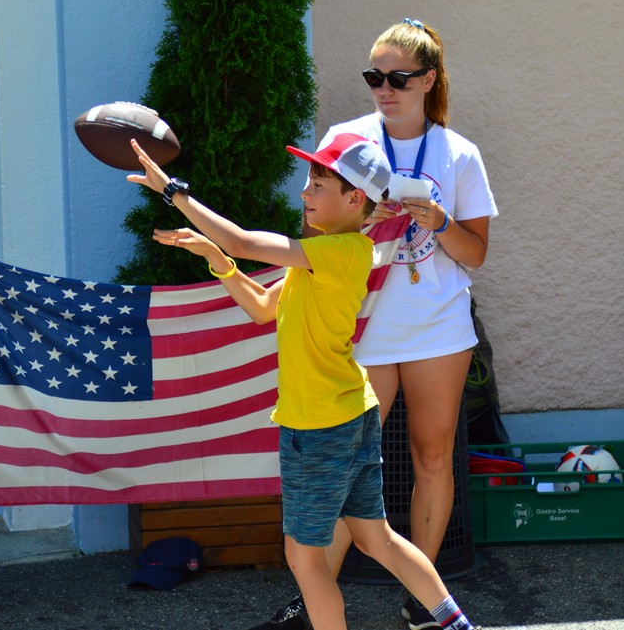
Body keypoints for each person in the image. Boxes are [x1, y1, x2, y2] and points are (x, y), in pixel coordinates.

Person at [127, 134, 481, 630]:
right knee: (375, 539)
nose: (305, 193)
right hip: (347, 416)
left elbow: (246, 240)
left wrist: (173, 192)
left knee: (305, 559)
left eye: (318, 184)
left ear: (356, 199)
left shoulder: (340, 252)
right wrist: (219, 261)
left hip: (318, 429)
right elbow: (261, 308)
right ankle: (457, 624)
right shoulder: (318, 255)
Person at [252, 18, 497, 630]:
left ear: (428, 80)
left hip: (437, 322)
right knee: (340, 471)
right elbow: (318, 227)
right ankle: (311, 600)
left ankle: (423, 602)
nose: (383, 88)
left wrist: (438, 219)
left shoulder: (458, 152)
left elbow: (476, 254)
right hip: (359, 326)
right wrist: (366, 220)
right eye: (373, 76)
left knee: (432, 456)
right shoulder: (346, 136)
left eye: (397, 77)